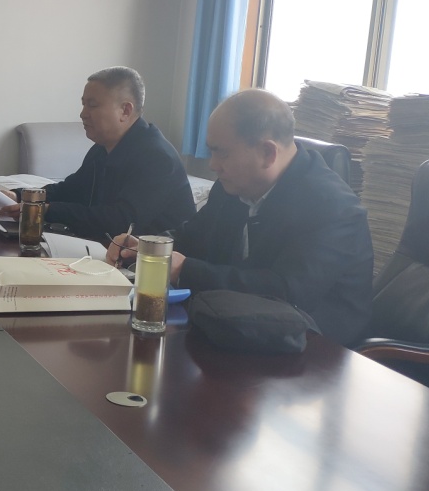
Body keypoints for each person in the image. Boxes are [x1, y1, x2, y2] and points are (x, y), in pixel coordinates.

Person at [108, 89, 373, 346]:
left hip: (315, 349)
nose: (213, 164)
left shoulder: (332, 207)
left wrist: (184, 269)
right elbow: (194, 236)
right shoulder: (235, 186)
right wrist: (148, 246)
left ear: (268, 153)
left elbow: (285, 293)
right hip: (241, 330)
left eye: (222, 152)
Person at [2, 67, 194, 242]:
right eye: (83, 104)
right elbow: (71, 190)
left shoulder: (156, 157)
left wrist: (46, 211)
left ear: (125, 111)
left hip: (147, 261)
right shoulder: (102, 148)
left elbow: (121, 221)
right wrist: (21, 196)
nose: (83, 114)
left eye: (92, 105)